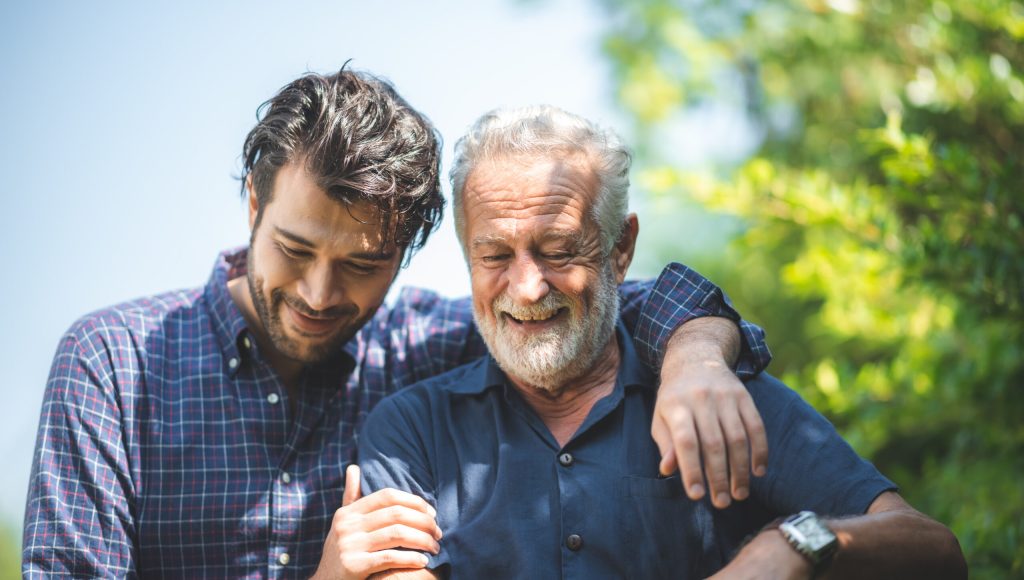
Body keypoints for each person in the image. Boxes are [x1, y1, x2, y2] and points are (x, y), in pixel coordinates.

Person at [22, 69, 774, 578]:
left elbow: (596, 298)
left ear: (407, 255)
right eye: (294, 249)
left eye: (362, 264)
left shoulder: (429, 346)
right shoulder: (111, 366)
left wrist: (698, 355)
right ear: (254, 206)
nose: (319, 294)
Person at [356, 105, 967, 579]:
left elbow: (935, 550)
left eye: (559, 250)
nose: (526, 286)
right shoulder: (412, 431)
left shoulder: (717, 395)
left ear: (621, 249)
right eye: (494, 255)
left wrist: (794, 546)